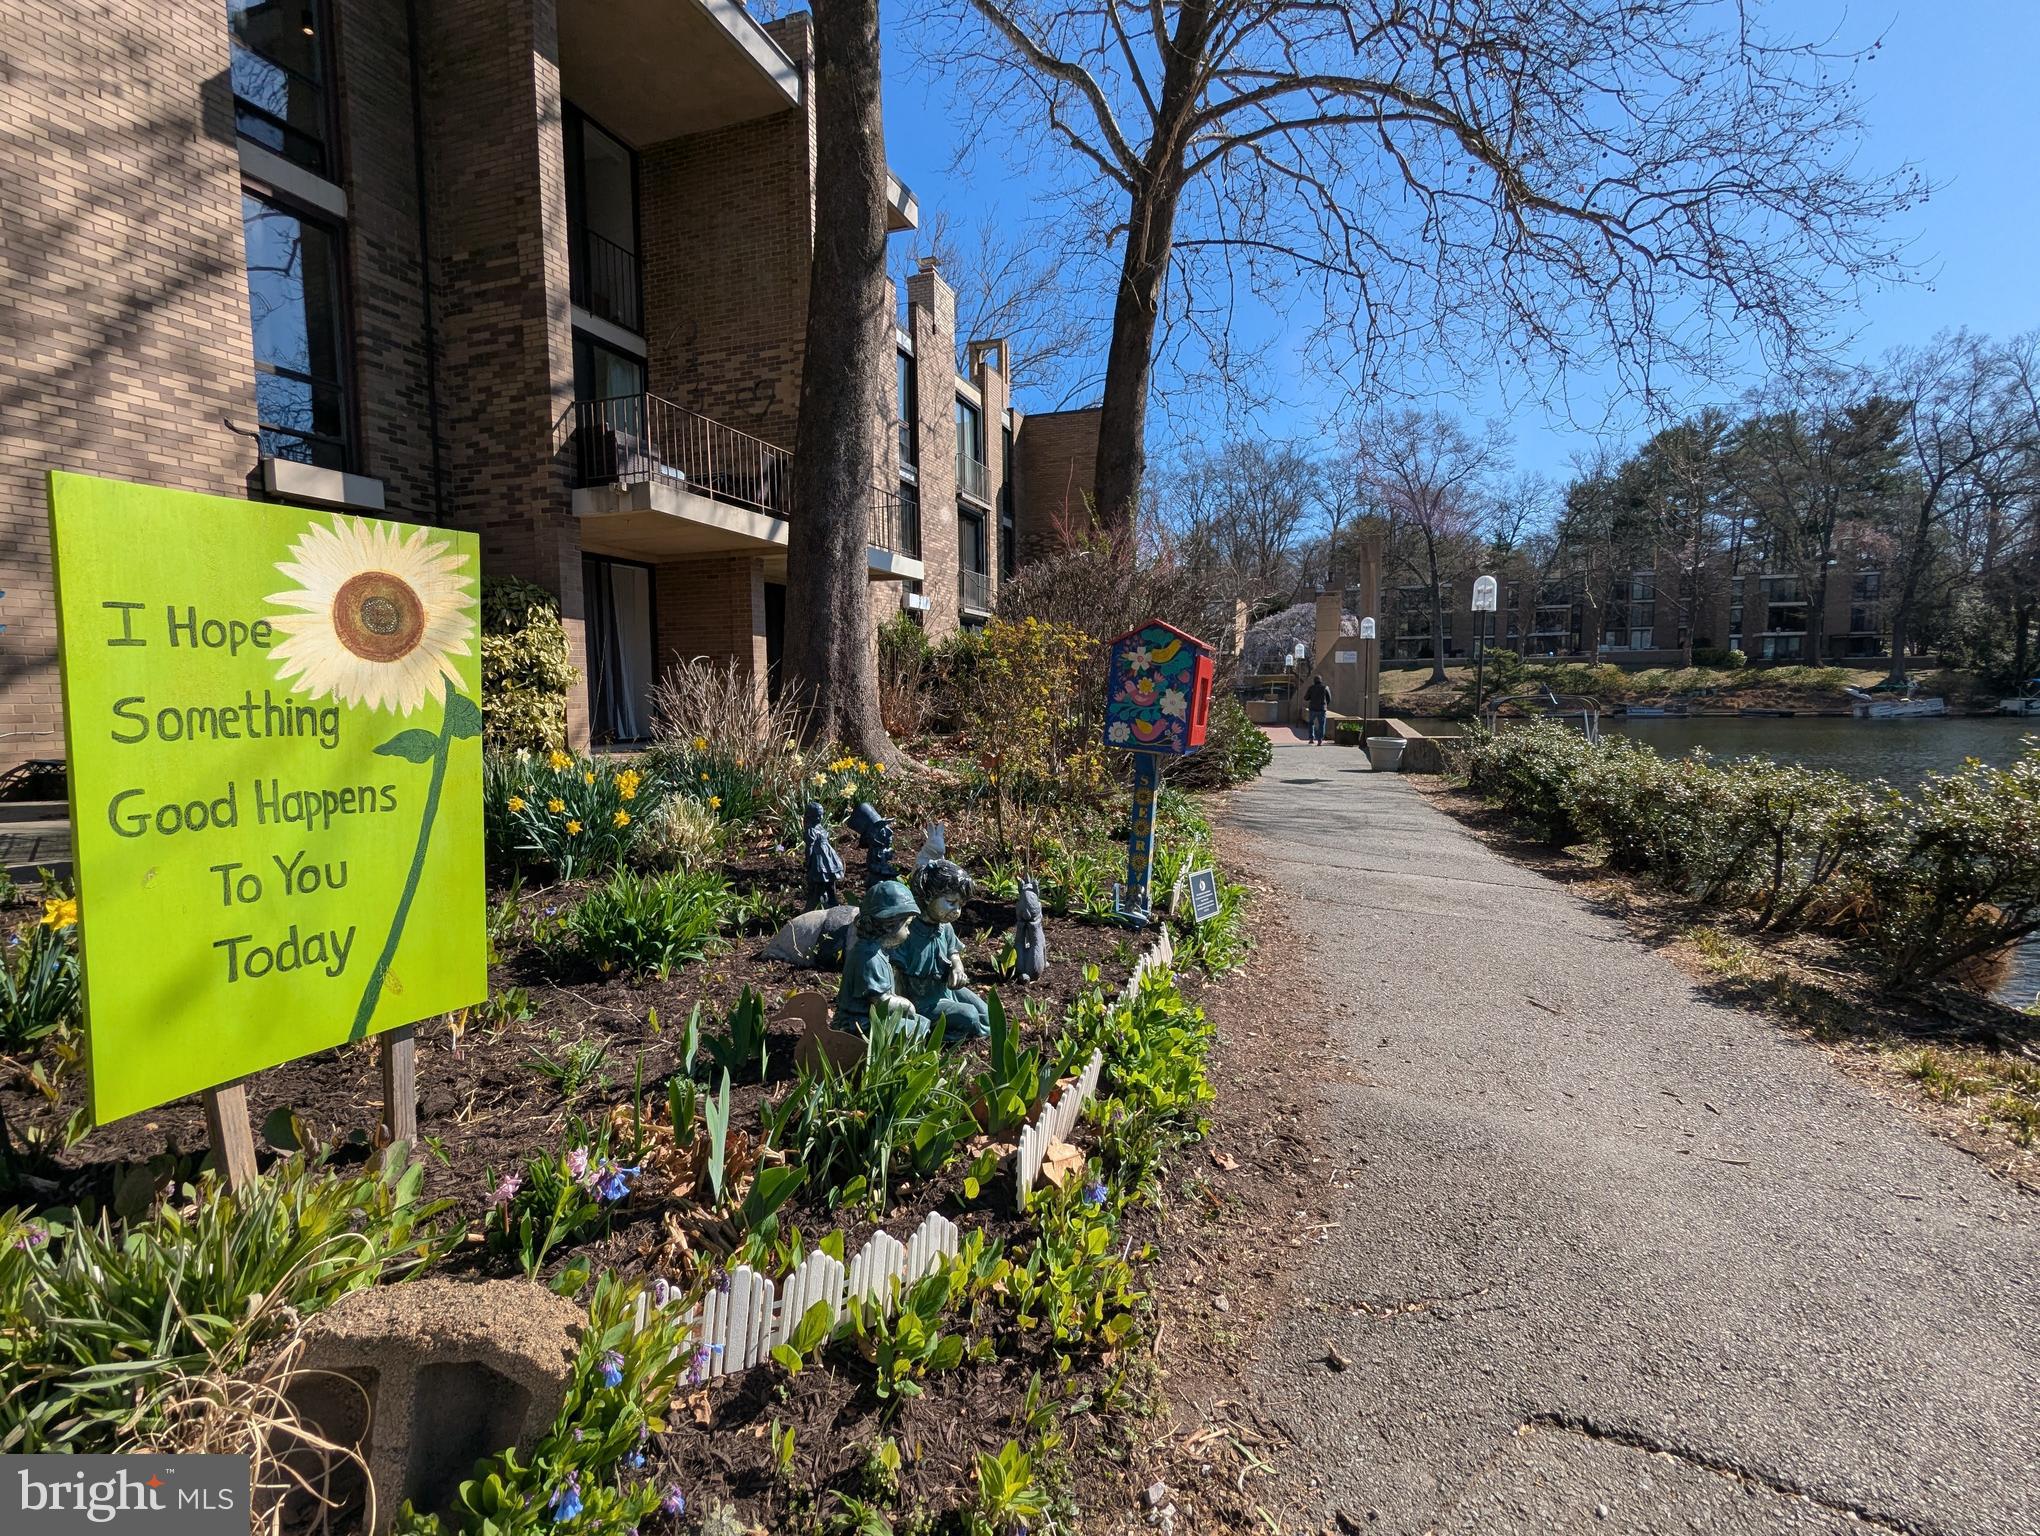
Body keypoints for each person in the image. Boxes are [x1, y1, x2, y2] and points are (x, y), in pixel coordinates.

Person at [896, 859, 991, 1044]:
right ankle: (935, 1037)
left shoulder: (944, 927)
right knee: (970, 1015)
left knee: (987, 1014)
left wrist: (957, 968)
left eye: (960, 905)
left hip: (944, 988)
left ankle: (957, 1029)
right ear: (928, 896)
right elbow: (896, 971)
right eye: (950, 902)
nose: (957, 911)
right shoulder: (908, 930)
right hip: (921, 1000)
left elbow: (953, 952)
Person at [833, 880, 928, 1036]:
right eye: (907, 925)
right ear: (888, 925)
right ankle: (885, 1056)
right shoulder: (868, 957)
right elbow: (880, 1001)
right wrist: (906, 1004)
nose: (909, 932)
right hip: (858, 1023)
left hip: (871, 1017)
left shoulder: (877, 950)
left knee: (921, 1023)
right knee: (916, 1028)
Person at [1304, 674, 1332, 744]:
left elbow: (1306, 698)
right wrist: (1325, 705)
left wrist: (1311, 696)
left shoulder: (1311, 688)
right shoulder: (1325, 687)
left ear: (1314, 681)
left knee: (1311, 723)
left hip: (1312, 709)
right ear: (1321, 681)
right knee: (1321, 725)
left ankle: (1311, 738)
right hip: (1322, 709)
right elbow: (1329, 699)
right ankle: (1320, 740)